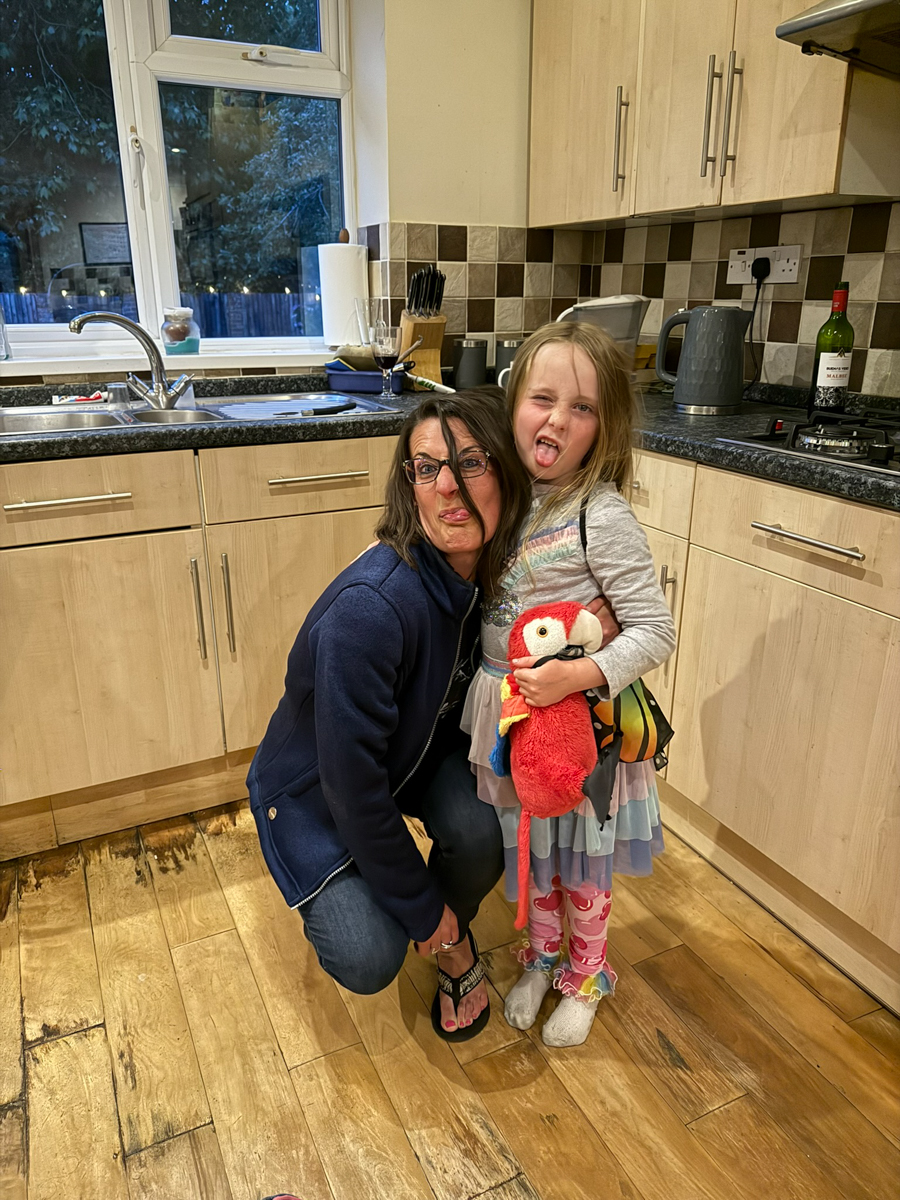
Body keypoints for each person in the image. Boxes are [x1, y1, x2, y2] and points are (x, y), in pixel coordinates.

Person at [247, 389, 534, 1040]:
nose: (447, 486)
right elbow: (353, 789)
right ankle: (442, 936)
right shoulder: (372, 610)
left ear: (506, 473)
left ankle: (441, 930)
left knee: (481, 831)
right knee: (369, 953)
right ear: (410, 487)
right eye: (427, 468)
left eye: (471, 461)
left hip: (415, 747)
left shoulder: (493, 576)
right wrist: (423, 910)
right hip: (314, 789)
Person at [461, 321, 677, 1048]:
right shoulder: (502, 495)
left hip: (574, 727)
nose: (556, 420)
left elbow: (655, 630)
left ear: (602, 429)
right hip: (509, 718)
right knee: (532, 852)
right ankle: (542, 958)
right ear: (513, 401)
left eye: (581, 408)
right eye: (543, 398)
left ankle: (585, 976)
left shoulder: (600, 515)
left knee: (582, 863)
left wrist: (576, 675)